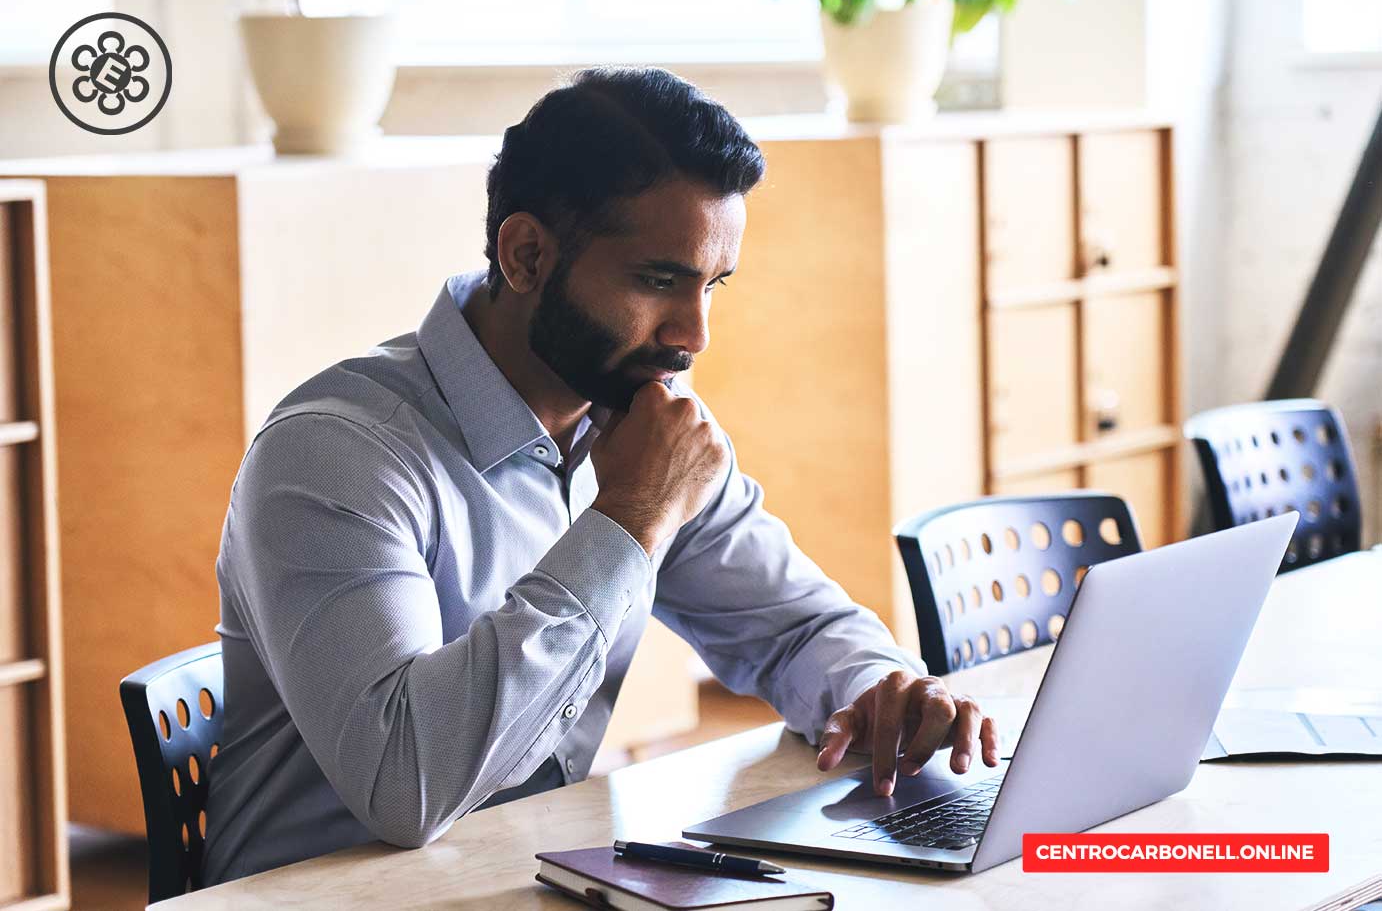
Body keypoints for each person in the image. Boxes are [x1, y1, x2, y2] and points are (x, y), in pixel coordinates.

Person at [203, 66, 998, 885]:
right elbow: (404, 784)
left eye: (712, 286)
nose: (694, 335)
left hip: (514, 873)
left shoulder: (630, 417)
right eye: (659, 281)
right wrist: (627, 520)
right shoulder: (337, 455)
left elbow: (792, 626)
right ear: (526, 255)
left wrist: (879, 687)